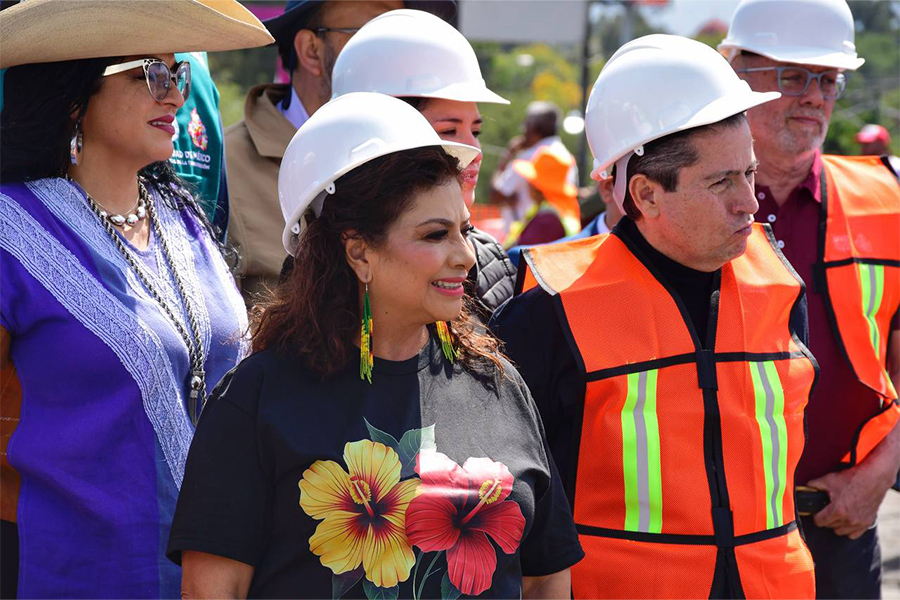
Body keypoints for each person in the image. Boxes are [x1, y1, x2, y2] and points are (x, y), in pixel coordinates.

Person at [166, 93, 583, 599]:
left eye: (465, 231)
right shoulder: (255, 398)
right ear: (359, 252)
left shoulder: (501, 385)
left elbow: (545, 580)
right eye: (435, 235)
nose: (465, 256)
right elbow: (214, 589)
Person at [492, 35, 818, 598]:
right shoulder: (547, 313)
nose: (751, 201)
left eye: (749, 172)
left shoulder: (782, 286)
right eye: (722, 182)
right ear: (645, 194)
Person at [0, 1, 272, 597]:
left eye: (179, 75)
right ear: (74, 95)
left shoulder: (185, 222)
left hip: (220, 573)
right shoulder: (8, 229)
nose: (174, 95)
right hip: (72, 573)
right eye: (150, 74)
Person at [720, 0, 900, 596]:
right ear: (733, 73)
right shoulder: (679, 201)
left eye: (828, 79)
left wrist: (879, 474)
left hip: (839, 523)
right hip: (711, 530)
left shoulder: (887, 200)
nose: (815, 96)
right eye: (793, 76)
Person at [227, 0, 429, 304]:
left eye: (403, 40)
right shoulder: (225, 166)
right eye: (372, 35)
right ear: (311, 49)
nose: (397, 55)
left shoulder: (426, 155)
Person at [330, 8, 515, 317]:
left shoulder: (491, 261)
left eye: (476, 130)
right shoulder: (322, 264)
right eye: (449, 131)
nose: (473, 150)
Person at [490, 101, 578, 235]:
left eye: (525, 124)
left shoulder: (530, 156)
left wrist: (506, 158)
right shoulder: (567, 156)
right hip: (560, 235)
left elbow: (496, 195)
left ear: (534, 128)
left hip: (526, 238)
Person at [169, 52, 230, 239]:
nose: (178, 99)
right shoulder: (198, 72)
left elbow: (217, 223)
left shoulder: (198, 76)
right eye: (149, 76)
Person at [504, 145, 581, 248]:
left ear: (537, 187)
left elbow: (520, 258)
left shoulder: (547, 220)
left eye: (531, 180)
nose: (527, 183)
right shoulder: (555, 211)